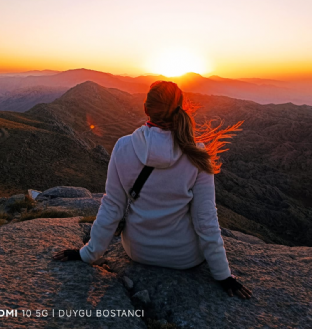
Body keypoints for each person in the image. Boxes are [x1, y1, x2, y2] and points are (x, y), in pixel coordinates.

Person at [53, 80, 252, 299]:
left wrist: (88, 254)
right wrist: (223, 275)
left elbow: (112, 207)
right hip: (185, 258)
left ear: (146, 109)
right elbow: (205, 219)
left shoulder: (123, 147)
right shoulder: (197, 154)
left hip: (138, 252)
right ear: (182, 108)